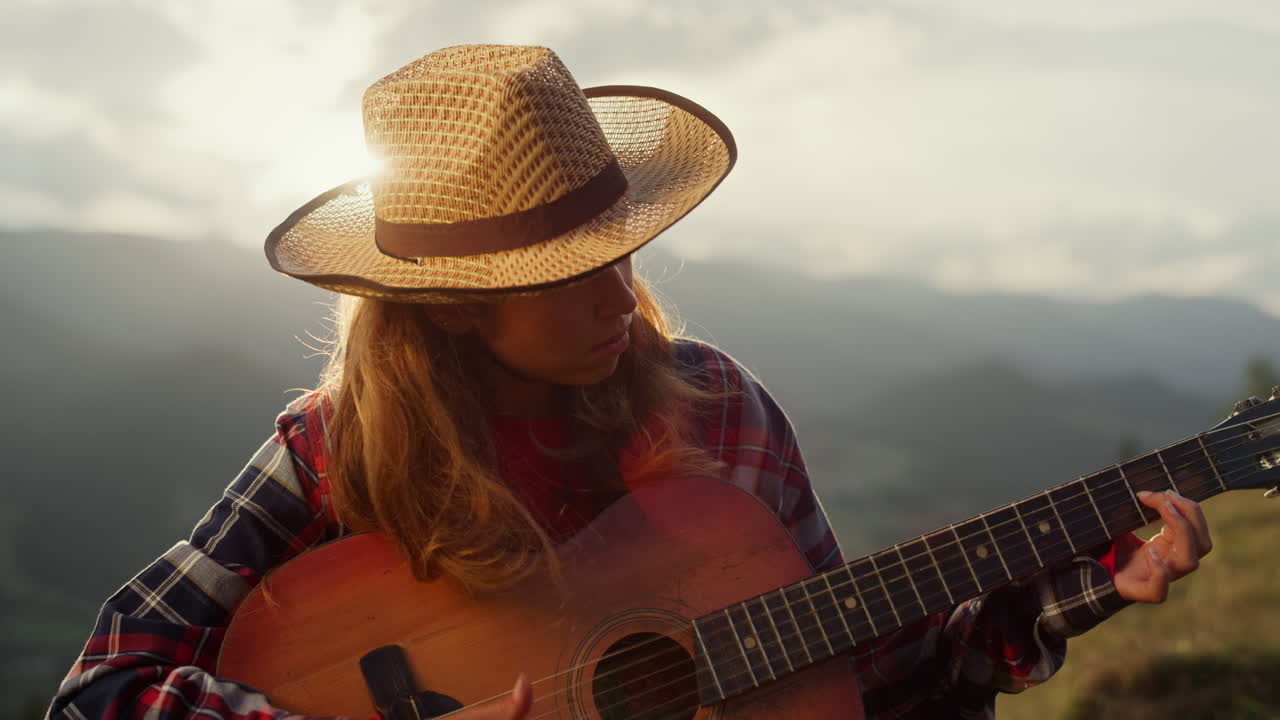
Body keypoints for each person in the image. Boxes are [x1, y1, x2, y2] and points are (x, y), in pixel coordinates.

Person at [47, 44, 1212, 720]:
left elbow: (850, 666)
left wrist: (1089, 581)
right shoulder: (328, 449)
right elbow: (107, 684)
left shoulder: (713, 404)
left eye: (621, 257)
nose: (623, 304)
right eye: (569, 279)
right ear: (452, 315)